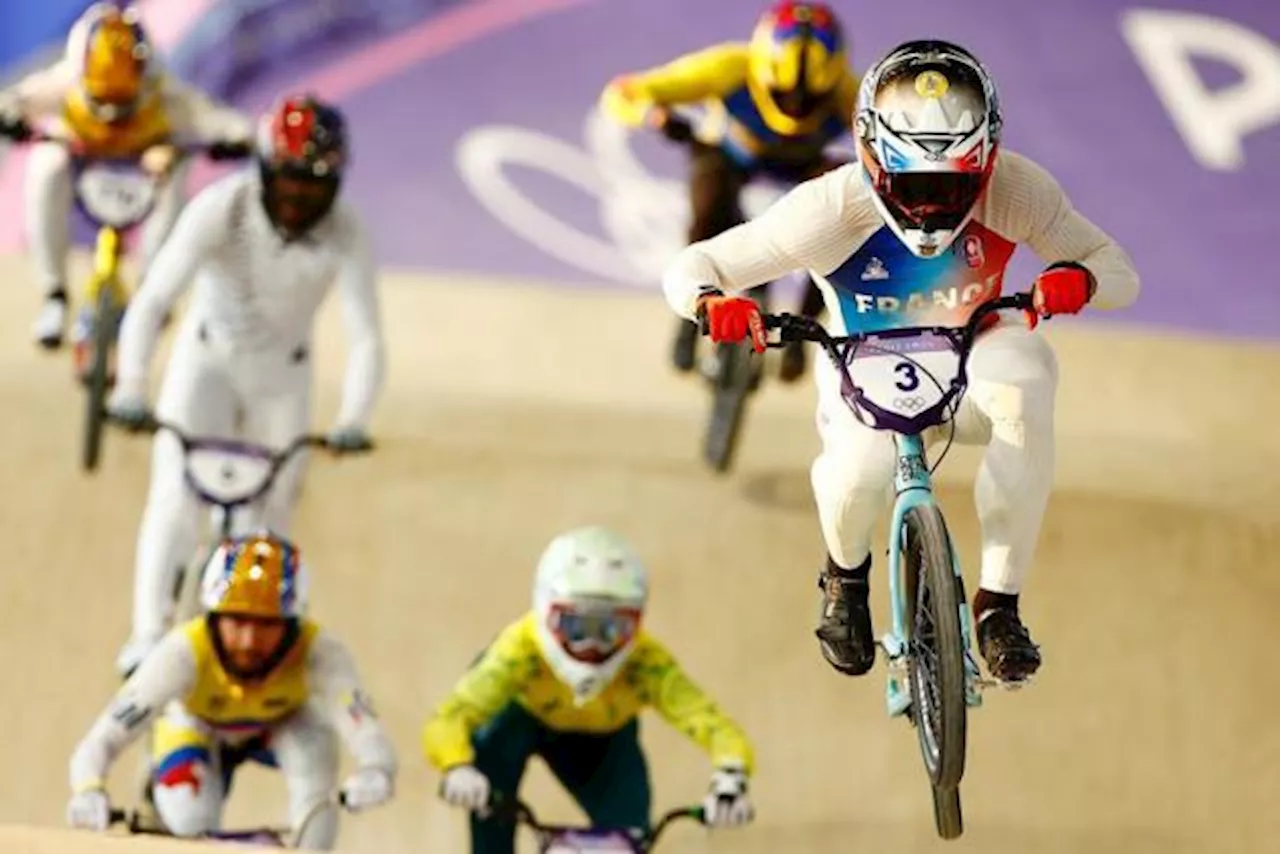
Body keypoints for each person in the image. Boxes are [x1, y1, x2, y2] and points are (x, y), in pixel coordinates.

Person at [660, 40, 1141, 684]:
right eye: (912, 186)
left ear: (986, 162)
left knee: (1027, 387)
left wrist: (1080, 282)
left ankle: (999, 605)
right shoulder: (829, 207)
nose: (931, 207)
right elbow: (696, 267)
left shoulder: (1017, 189)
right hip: (863, 358)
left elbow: (1118, 272)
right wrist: (709, 302)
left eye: (953, 187)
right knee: (862, 468)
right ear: (871, 159)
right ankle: (845, 576)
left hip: (974, 349)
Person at [108, 92, 385, 678]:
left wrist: (353, 418)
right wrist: (131, 383)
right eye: (289, 179)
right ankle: (147, 634)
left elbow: (366, 335)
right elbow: (157, 296)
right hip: (205, 362)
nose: (299, 197)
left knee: (274, 515)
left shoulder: (346, 230)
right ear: (263, 169)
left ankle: (265, 637)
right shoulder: (222, 207)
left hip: (283, 379)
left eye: (315, 183)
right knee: (174, 496)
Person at [422, 527, 756, 854]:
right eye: (575, 626)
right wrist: (458, 766)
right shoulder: (520, 650)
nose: (592, 646)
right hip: (517, 724)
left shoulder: (646, 661)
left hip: (602, 743)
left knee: (629, 836)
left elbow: (711, 723)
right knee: (489, 807)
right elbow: (451, 717)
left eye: (612, 628)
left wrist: (730, 777)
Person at [65, 532, 398, 849]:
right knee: (188, 820)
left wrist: (376, 770)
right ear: (213, 616)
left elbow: (364, 726)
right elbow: (104, 737)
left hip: (281, 724)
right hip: (197, 726)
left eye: (267, 624)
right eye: (237, 621)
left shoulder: (321, 651)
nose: (249, 641)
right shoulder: (182, 652)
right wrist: (88, 788)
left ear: (293, 622)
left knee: (317, 765)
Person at [600, 0, 858, 382]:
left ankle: (803, 328)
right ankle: (692, 306)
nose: (796, 105)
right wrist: (656, 116)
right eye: (782, 94)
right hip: (731, 157)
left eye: (809, 101)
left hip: (802, 167)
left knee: (841, 217)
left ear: (833, 79)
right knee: (707, 208)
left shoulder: (848, 93)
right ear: (758, 69)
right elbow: (622, 94)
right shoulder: (728, 68)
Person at [0, 1, 254, 349]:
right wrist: (10, 116)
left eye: (123, 105)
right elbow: (18, 98)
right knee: (46, 163)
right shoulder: (66, 82)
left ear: (144, 81)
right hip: (81, 159)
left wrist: (238, 137)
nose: (112, 115)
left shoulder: (164, 93)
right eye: (101, 103)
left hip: (143, 169)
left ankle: (153, 290)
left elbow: (214, 118)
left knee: (175, 171)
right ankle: (54, 294)